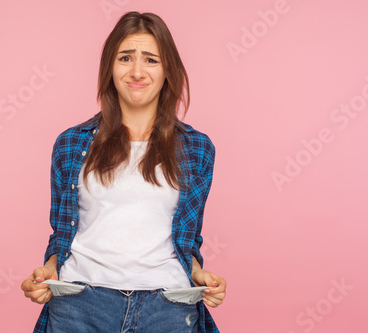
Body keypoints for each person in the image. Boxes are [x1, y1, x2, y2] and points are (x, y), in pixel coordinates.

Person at [21, 11, 226, 333]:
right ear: (110, 68)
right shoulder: (71, 143)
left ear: (168, 70)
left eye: (151, 60)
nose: (137, 71)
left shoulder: (197, 148)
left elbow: (187, 236)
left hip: (167, 309)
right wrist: (46, 272)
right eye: (126, 58)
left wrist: (199, 273)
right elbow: (62, 231)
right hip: (79, 306)